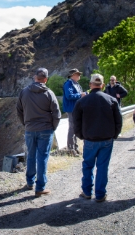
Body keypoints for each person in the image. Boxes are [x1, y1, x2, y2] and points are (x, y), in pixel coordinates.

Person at [73, 74, 122, 202]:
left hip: (90, 139)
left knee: (88, 166)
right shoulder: (111, 100)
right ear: (103, 85)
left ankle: (87, 192)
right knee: (102, 167)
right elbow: (118, 120)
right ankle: (100, 195)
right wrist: (114, 134)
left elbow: (76, 122)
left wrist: (81, 135)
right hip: (107, 139)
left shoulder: (82, 101)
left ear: (90, 85)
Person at [16, 68, 61, 197]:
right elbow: (57, 114)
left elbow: (19, 110)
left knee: (31, 155)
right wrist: (53, 127)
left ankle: (29, 183)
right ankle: (40, 187)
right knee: (42, 158)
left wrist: (26, 123)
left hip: (30, 129)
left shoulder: (24, 92)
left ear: (35, 77)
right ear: (46, 79)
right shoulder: (49, 93)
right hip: (45, 129)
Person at [62, 68, 87, 156]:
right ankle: (71, 149)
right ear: (73, 75)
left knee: (75, 128)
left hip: (76, 109)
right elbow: (69, 96)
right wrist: (81, 94)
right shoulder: (68, 84)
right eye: (78, 74)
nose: (79, 76)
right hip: (71, 109)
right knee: (72, 128)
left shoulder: (76, 84)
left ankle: (75, 148)